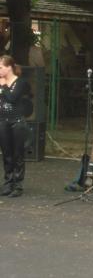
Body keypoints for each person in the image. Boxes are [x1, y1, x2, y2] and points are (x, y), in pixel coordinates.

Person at [0, 55, 32, 197]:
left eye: (1, 67)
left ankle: (18, 185)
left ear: (9, 67)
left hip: (17, 122)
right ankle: (8, 182)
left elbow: (12, 98)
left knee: (17, 153)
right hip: (3, 121)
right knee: (6, 154)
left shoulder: (20, 82)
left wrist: (3, 86)